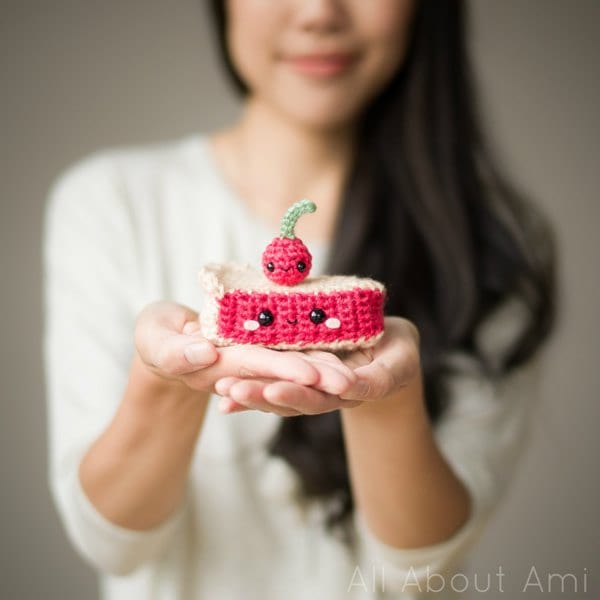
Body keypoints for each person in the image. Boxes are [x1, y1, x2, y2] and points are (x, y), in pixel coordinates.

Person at [42, 1, 556, 598]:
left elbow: (418, 572)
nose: (318, 12)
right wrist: (168, 378)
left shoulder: (488, 249)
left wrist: (387, 399)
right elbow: (113, 544)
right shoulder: (109, 204)